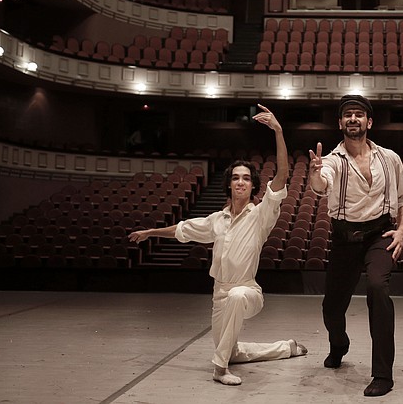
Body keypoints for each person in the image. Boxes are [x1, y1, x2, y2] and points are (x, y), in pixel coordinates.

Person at [128, 104, 307, 386]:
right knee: (232, 350)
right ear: (229, 184)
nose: (240, 182)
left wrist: (279, 131)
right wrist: (152, 232)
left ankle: (219, 370)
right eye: (236, 177)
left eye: (246, 178)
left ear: (252, 186)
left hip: (247, 290)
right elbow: (183, 229)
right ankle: (286, 348)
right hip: (219, 295)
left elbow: (282, 176)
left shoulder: (261, 215)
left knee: (235, 301)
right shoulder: (217, 219)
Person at [308, 94, 403, 397]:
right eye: (347, 115)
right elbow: (321, 185)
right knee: (332, 308)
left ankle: (383, 374)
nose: (352, 119)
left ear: (369, 122)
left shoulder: (389, 158)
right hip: (344, 239)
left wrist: (402, 230)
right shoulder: (331, 160)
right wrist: (315, 175)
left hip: (379, 235)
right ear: (340, 123)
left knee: (378, 288)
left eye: (358, 114)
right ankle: (339, 343)